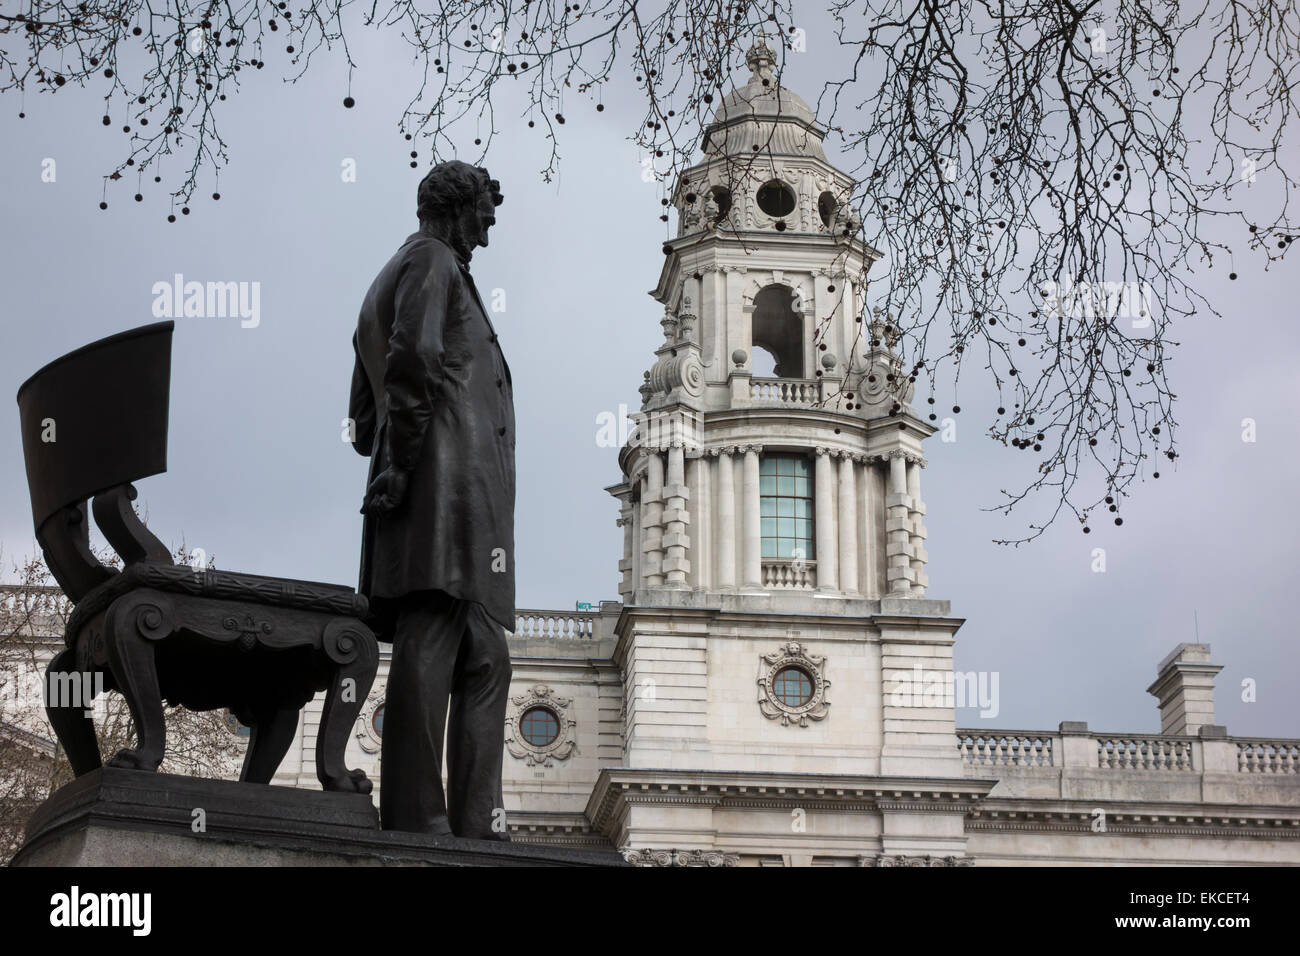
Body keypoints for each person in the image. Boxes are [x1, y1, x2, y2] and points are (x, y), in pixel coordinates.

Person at [347, 160, 514, 839]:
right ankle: (420, 821)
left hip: (440, 485)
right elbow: (411, 361)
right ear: (454, 207)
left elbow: (360, 417)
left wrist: (387, 446)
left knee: (486, 656)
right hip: (441, 485)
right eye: (485, 212)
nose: (490, 227)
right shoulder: (431, 262)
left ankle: (480, 823)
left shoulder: (382, 285)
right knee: (433, 635)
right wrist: (405, 462)